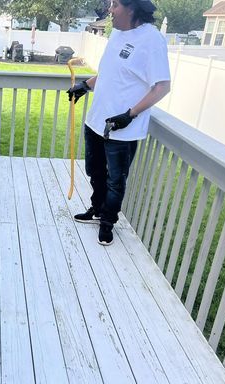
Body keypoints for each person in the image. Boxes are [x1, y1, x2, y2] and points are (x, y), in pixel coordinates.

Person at [68, 0, 170, 245]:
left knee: (115, 180)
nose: (110, 10)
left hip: (121, 128)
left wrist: (130, 114)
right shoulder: (117, 34)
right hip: (96, 121)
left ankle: (107, 222)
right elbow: (110, 72)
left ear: (131, 8)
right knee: (94, 171)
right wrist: (85, 85)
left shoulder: (152, 40)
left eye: (115, 5)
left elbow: (162, 86)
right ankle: (97, 209)